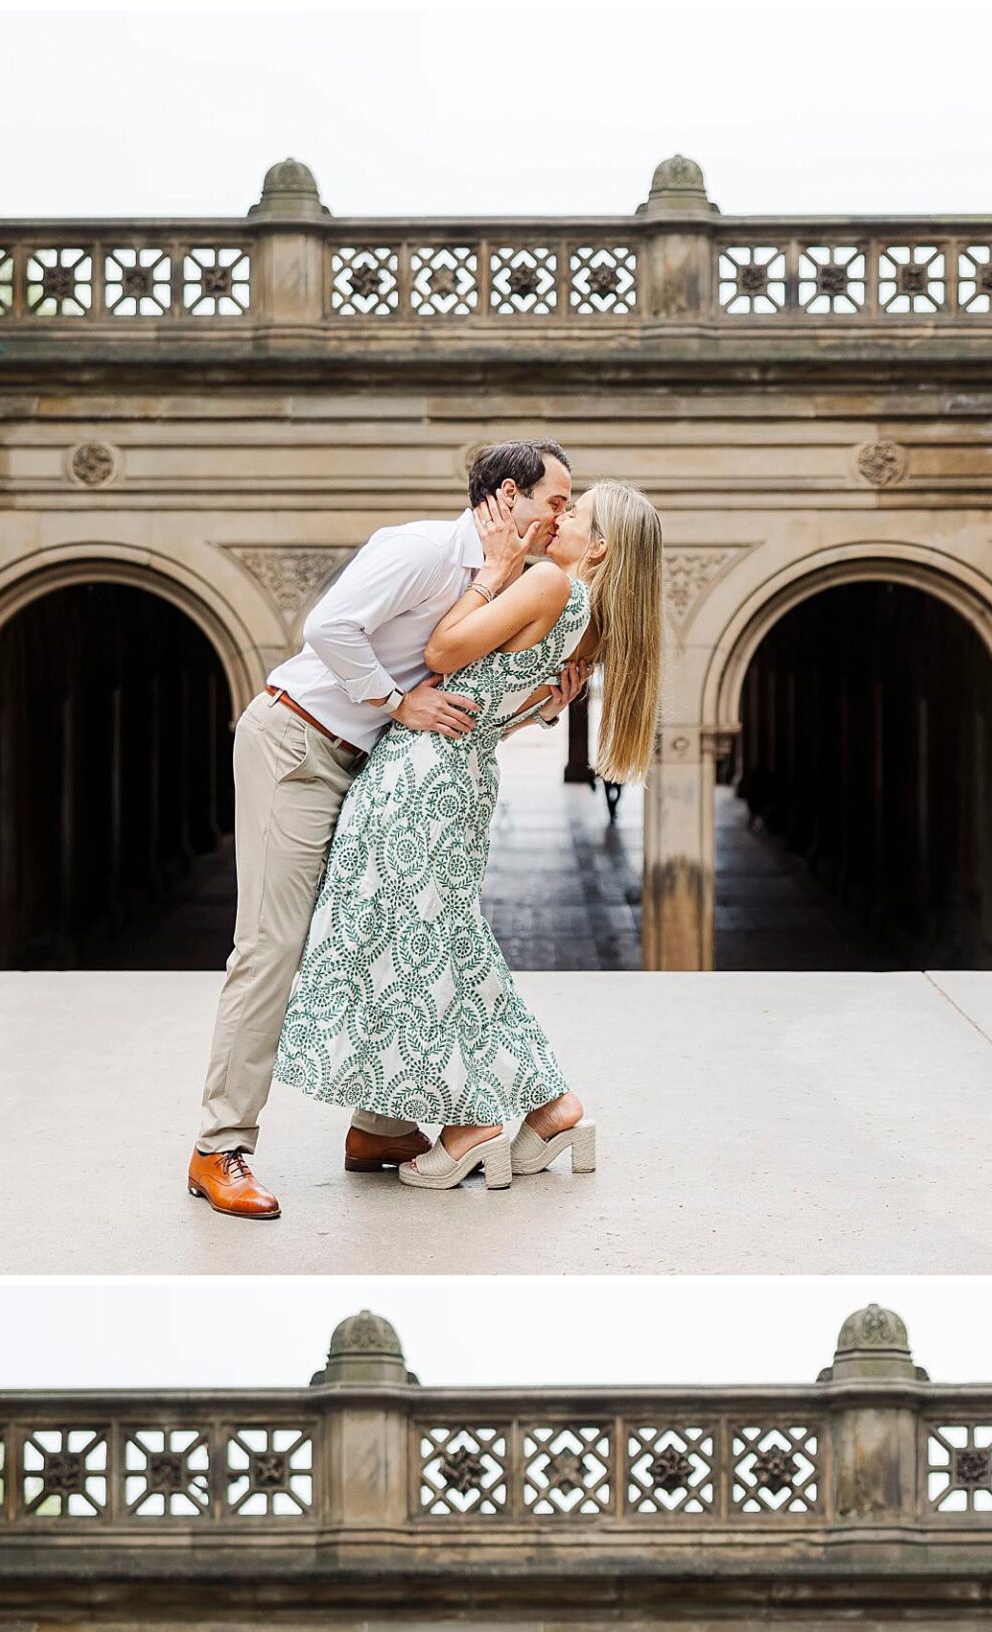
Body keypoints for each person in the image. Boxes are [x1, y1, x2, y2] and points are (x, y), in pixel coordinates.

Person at [187, 437, 577, 1221]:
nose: (563, 516)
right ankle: (218, 1147)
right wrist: (396, 704)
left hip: (368, 759)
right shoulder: (424, 548)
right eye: (555, 502)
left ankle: (380, 1129)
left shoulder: (503, 582)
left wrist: (544, 702)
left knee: (375, 932)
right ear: (506, 497)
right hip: (297, 742)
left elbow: (469, 694)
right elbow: (327, 627)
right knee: (271, 946)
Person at [273, 478, 663, 1191]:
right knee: (438, 935)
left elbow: (445, 651)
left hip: (421, 774)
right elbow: (490, 708)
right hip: (459, 773)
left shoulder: (549, 586)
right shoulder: (588, 615)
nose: (556, 517)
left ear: (598, 545)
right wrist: (545, 708)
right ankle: (548, 1106)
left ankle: (472, 1122)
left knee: (414, 942)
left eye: (571, 513)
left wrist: (487, 576)